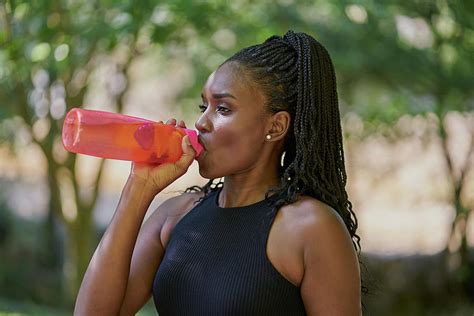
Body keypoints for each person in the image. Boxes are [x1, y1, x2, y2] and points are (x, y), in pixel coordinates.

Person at [74, 30, 362, 315]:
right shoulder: (175, 216)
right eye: (204, 106)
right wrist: (139, 188)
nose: (201, 123)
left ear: (275, 126)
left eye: (222, 109)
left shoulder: (312, 228)